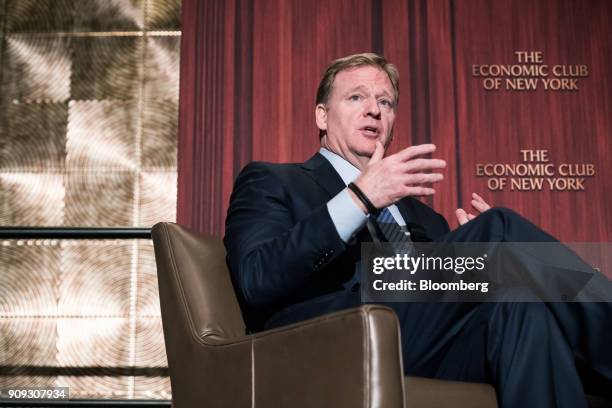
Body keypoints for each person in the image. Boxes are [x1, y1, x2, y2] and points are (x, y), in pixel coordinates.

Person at [224, 53, 611, 407]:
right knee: (500, 228)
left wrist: (485, 262)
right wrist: (360, 198)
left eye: (385, 102)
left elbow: (438, 299)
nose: (374, 110)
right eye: (356, 98)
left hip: (420, 345)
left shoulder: (425, 217)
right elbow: (257, 278)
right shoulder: (273, 180)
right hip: (335, 342)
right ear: (323, 117)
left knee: (520, 307)